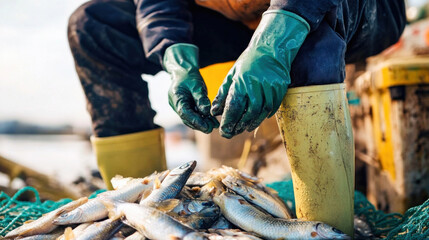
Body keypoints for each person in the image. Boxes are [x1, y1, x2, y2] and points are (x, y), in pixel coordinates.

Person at [68, 0, 406, 235]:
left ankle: (325, 228)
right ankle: (138, 216)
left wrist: (276, 38)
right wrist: (174, 55)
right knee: (93, 25)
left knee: (309, 32)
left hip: (346, 7)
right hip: (234, 20)